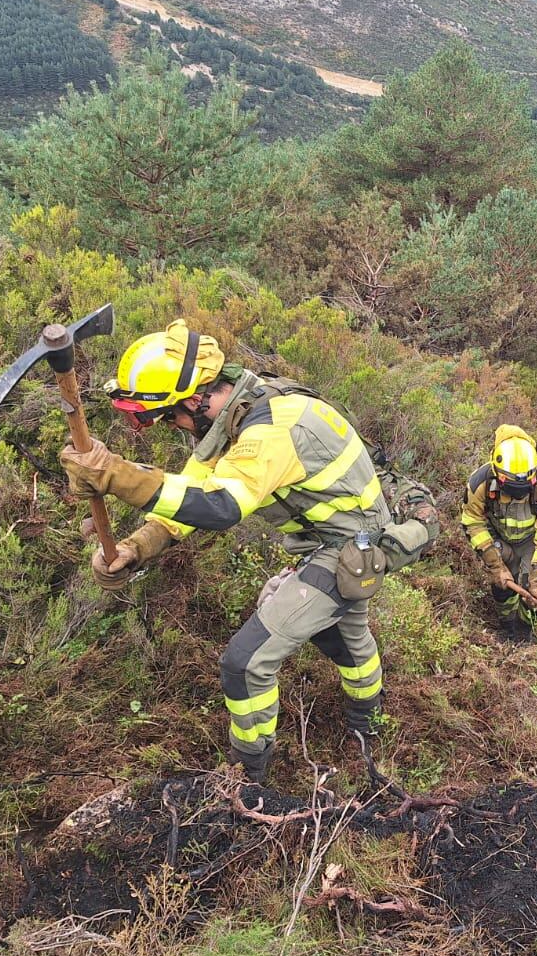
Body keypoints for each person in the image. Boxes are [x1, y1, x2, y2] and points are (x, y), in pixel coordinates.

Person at [59, 319, 438, 784]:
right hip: (331, 541)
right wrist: (137, 547)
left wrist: (117, 476)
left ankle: (249, 775)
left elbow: (220, 506)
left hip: (347, 550)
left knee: (245, 662)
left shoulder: (270, 429)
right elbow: (197, 486)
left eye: (169, 415)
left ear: (197, 398)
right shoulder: (239, 409)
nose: (171, 427)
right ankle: (367, 724)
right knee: (343, 634)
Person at [460, 425, 537, 639]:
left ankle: (527, 633)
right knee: (501, 585)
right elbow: (473, 522)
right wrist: (494, 564)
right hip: (500, 540)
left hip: (533, 541)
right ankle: (508, 627)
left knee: (536, 595)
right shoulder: (480, 482)